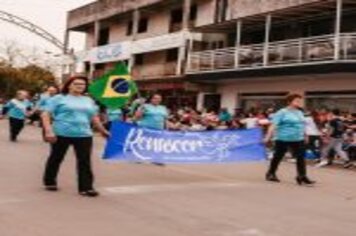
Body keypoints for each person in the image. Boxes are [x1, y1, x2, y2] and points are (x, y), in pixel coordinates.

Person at [41, 76, 109, 197]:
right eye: (76, 84)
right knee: (56, 158)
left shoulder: (88, 100)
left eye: (83, 84)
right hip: (62, 133)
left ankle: (86, 187)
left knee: (84, 161)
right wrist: (48, 130)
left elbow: (94, 117)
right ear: (69, 85)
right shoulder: (59, 98)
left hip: (84, 134)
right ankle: (50, 181)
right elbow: (45, 114)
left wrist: (103, 131)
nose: (80, 86)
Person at [264, 94, 315, 185]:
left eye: (300, 101)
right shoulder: (282, 112)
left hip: (298, 138)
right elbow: (273, 125)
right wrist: (268, 136)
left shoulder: (299, 112)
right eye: (297, 101)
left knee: (301, 157)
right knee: (278, 157)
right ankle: (271, 173)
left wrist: (305, 135)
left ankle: (301, 176)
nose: (299, 103)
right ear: (289, 102)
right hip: (283, 138)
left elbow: (301, 124)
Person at [134, 94, 168, 166]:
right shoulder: (145, 106)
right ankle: (138, 157)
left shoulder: (163, 108)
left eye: (159, 98)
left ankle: (156, 159)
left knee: (157, 144)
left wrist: (167, 128)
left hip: (158, 129)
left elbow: (165, 119)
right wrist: (141, 110)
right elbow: (137, 117)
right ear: (151, 99)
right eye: (155, 98)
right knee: (143, 143)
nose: (157, 100)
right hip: (146, 128)